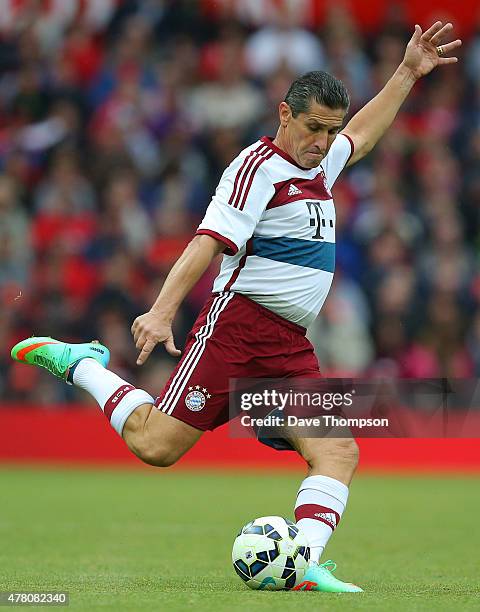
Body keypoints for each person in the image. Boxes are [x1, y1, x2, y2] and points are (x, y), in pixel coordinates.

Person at [12, 21, 461, 593]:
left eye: (329, 130)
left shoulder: (320, 164)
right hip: (235, 333)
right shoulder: (257, 168)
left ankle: (301, 566)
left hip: (288, 347)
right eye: (313, 128)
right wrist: (160, 311)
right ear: (284, 114)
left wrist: (405, 73)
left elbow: (363, 136)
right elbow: (207, 241)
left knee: (338, 450)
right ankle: (81, 364)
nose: (323, 142)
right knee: (156, 446)